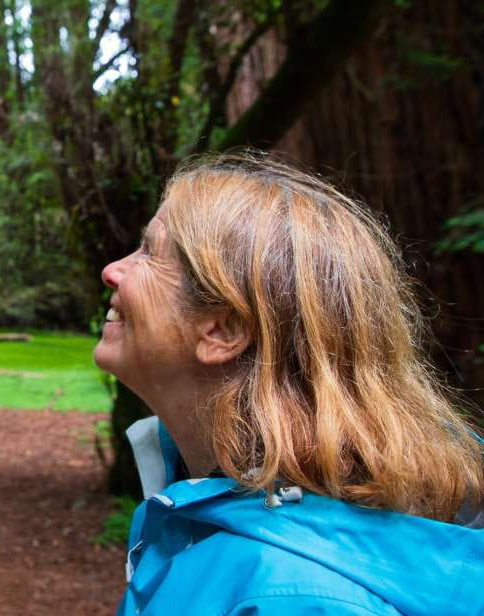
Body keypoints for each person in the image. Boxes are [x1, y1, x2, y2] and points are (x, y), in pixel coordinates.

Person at [95, 154, 484, 615]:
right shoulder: (202, 493)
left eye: (150, 253)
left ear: (222, 329)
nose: (112, 270)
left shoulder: (295, 595)